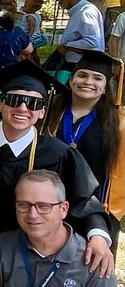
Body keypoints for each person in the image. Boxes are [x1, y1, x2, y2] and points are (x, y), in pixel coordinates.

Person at [0, 61, 115, 283]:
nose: (23, 108)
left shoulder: (58, 154)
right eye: (14, 100)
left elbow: (84, 202)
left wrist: (97, 235)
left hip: (23, 260)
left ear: (42, 112)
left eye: (33, 103)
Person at [42, 49, 124, 238]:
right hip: (48, 204)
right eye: (82, 75)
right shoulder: (49, 112)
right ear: (71, 80)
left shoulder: (119, 124)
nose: (88, 82)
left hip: (94, 211)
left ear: (105, 88)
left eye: (97, 78)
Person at [55, 0, 105, 82]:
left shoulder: (85, 12)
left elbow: (92, 41)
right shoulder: (81, 11)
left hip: (83, 65)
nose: (59, 0)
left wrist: (67, 45)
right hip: (79, 65)